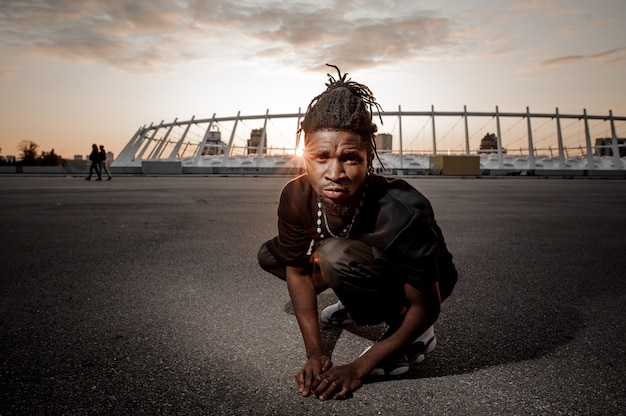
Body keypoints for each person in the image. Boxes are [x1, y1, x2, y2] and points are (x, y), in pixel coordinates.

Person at [258, 64, 457, 401]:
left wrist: (359, 366)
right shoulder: (295, 194)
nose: (334, 172)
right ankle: (353, 299)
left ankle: (407, 328)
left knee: (336, 255)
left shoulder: (403, 208)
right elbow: (296, 270)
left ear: (369, 159)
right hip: (357, 258)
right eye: (320, 157)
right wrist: (315, 354)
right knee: (272, 254)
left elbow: (428, 304)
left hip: (418, 285)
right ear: (305, 156)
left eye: (350, 158)